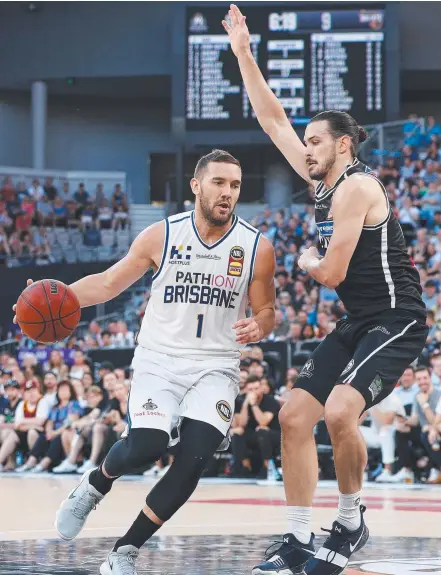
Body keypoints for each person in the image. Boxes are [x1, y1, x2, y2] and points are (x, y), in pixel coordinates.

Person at [223, 5, 428, 574]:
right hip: (358, 321)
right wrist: (243, 52)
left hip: (399, 317)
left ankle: (350, 518)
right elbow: (272, 122)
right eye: (306, 142)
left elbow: (330, 273)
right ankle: (295, 537)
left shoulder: (356, 187)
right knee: (293, 417)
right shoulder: (322, 179)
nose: (304, 149)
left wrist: (308, 257)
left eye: (315, 142)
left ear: (342, 145)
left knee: (340, 411)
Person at [13, 149, 275, 574]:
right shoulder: (161, 235)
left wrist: (260, 325)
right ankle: (96, 484)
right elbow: (108, 283)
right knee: (147, 446)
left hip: (217, 366)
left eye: (235, 186)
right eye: (219, 183)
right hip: (160, 360)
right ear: (197, 185)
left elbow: (267, 310)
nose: (228, 192)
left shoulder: (256, 247)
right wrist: (52, 293)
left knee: (193, 460)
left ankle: (124, 552)